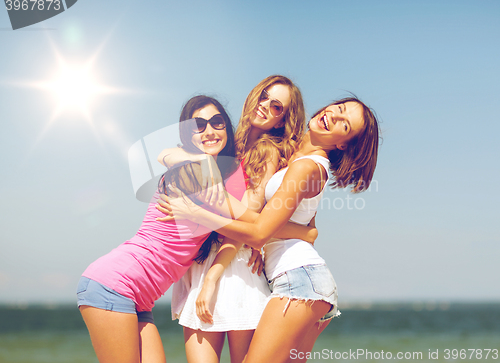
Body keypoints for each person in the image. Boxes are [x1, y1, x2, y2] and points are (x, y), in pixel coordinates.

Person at [76, 95, 315, 363]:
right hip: (115, 284)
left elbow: (250, 222)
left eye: (217, 122)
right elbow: (254, 222)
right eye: (198, 125)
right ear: (187, 134)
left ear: (227, 126)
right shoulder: (198, 173)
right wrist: (304, 232)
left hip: (140, 297)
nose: (209, 131)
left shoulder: (216, 173)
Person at [157, 96, 380, 363]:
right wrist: (305, 233)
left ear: (344, 143)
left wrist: (200, 214)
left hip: (299, 280)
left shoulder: (306, 166)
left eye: (345, 125)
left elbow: (260, 231)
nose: (334, 116)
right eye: (340, 109)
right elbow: (299, 224)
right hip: (298, 281)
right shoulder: (299, 157)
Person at [158, 75, 308, 363]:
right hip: (202, 261)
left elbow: (245, 222)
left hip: (234, 264)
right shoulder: (223, 137)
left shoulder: (266, 153)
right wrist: (170, 157)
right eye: (264, 95)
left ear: (281, 121)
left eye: (277, 106)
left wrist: (213, 276)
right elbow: (171, 153)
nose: (265, 105)